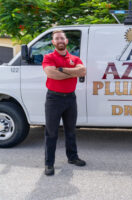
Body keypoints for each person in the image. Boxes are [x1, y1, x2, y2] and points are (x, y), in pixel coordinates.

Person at [42, 30, 87, 176]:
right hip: (54, 99)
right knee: (51, 132)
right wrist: (72, 72)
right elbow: (51, 73)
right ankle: (49, 164)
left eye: (62, 38)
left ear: (66, 41)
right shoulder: (48, 57)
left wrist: (61, 69)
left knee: (71, 130)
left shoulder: (74, 58)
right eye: (57, 38)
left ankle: (72, 158)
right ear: (53, 42)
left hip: (70, 99)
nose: (60, 40)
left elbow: (83, 71)